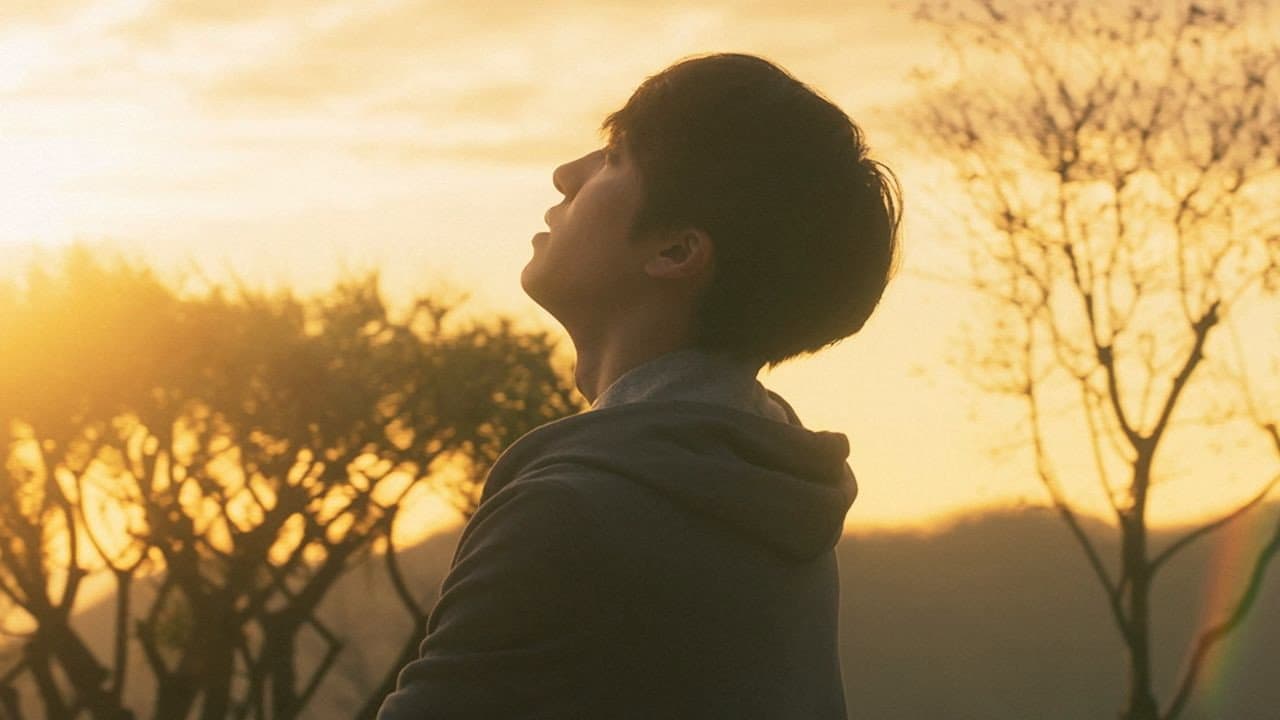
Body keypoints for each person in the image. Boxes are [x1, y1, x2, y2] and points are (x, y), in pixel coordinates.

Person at [376, 51, 901, 719]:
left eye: (617, 157)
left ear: (676, 251)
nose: (568, 174)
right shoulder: (774, 499)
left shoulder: (571, 515)